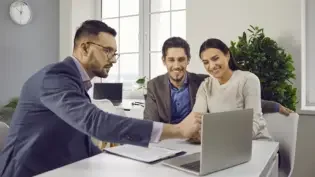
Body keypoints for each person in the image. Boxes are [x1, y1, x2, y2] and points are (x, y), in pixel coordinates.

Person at [0, 20, 202, 177]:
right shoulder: (56, 77)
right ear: (85, 48)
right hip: (28, 171)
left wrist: (116, 159)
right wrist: (178, 130)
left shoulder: (75, 80)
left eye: (115, 53)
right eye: (108, 51)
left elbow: (79, 139)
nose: (113, 60)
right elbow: (95, 123)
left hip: (62, 167)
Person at [144, 37, 293, 124]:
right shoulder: (154, 86)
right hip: (167, 143)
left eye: (181, 59)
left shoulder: (203, 82)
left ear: (188, 60)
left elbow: (236, 99)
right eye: (171, 60)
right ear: (164, 61)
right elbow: (150, 124)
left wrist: (275, 106)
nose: (176, 65)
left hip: (198, 143)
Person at [192, 38, 272, 141]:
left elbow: (253, 125)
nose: (211, 66)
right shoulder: (206, 86)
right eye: (206, 62)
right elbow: (197, 122)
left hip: (257, 143)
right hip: (223, 145)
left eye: (215, 58)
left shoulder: (248, 80)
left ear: (227, 55)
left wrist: (211, 134)